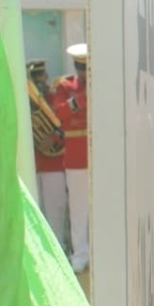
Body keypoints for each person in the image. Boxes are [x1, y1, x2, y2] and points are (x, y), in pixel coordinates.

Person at [53, 43, 90, 272]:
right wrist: (83, 98)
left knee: (102, 207)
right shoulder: (65, 86)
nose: (85, 73)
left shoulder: (105, 85)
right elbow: (59, 113)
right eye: (82, 69)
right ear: (77, 68)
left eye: (88, 68)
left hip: (101, 157)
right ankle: (80, 254)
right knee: (78, 208)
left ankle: (100, 253)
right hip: (76, 157)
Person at [27, 59, 69, 251]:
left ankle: (57, 247)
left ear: (46, 75)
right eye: (33, 76)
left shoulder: (55, 98)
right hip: (32, 163)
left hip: (54, 163)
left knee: (55, 210)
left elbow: (66, 124)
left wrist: (53, 137)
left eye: (40, 75)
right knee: (34, 210)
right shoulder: (23, 102)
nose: (38, 80)